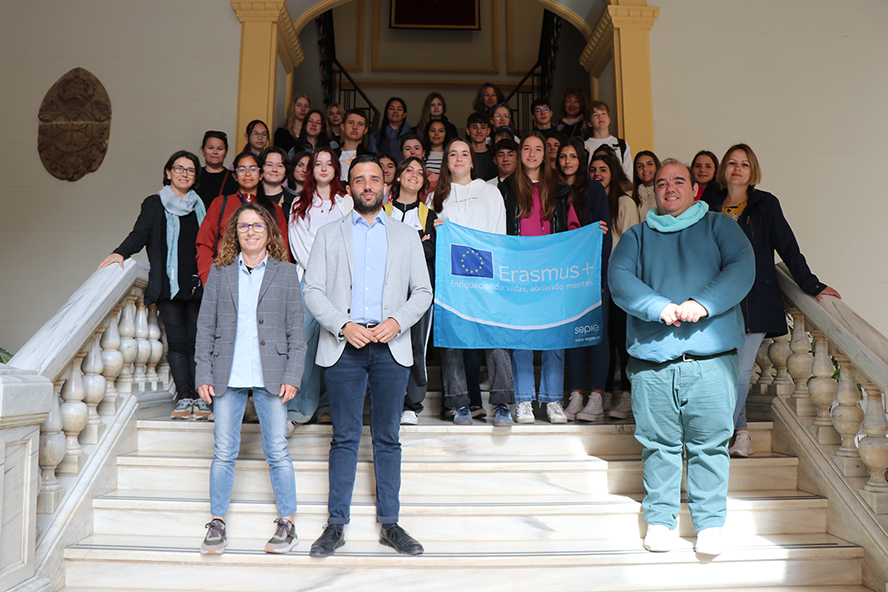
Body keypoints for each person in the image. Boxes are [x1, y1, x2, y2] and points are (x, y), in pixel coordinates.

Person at [609, 158, 755, 556]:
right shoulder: (637, 236)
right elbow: (620, 280)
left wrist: (702, 303)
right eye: (661, 183)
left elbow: (743, 268)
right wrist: (659, 306)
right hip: (653, 361)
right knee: (659, 444)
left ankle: (709, 525)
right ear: (653, 192)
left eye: (678, 181)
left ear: (695, 189)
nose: (669, 188)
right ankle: (660, 520)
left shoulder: (721, 227)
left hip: (710, 359)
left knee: (710, 445)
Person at [304, 154, 433, 558]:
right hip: (345, 346)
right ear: (349, 188)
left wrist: (397, 321)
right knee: (343, 437)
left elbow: (423, 293)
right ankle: (335, 525)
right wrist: (343, 325)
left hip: (390, 347)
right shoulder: (329, 234)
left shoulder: (406, 235)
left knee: (387, 438)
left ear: (385, 188)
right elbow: (313, 291)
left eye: (373, 179)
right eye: (358, 179)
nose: (366, 186)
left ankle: (390, 525)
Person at [703, 143, 841, 458]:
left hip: (755, 298)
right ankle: (741, 434)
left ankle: (716, 435)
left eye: (745, 164)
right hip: (718, 302)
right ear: (724, 170)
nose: (738, 169)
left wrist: (811, 284)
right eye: (733, 163)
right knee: (719, 373)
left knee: (739, 372)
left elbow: (787, 247)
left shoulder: (765, 204)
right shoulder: (709, 205)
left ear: (753, 172)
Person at [195, 203, 305, 555]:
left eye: (258, 225)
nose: (251, 231)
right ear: (235, 233)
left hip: (272, 374)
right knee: (224, 452)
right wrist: (202, 371)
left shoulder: (286, 274)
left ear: (270, 232)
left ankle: (287, 523)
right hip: (228, 372)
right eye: (244, 226)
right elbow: (205, 329)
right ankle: (216, 523)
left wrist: (292, 374)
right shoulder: (221, 271)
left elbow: (296, 333)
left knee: (277, 450)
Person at [99, 150, 208, 421]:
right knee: (178, 343)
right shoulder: (154, 203)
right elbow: (140, 234)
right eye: (179, 168)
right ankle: (185, 397)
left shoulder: (201, 206)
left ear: (195, 177)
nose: (184, 173)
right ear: (168, 172)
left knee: (199, 344)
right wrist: (120, 253)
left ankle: (201, 399)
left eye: (190, 170)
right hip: (168, 285)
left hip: (197, 285)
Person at [432, 138, 514, 426]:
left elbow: (499, 235)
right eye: (452, 154)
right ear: (446, 162)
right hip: (452, 279)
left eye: (464, 153)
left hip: (486, 276)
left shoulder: (490, 192)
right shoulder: (437, 197)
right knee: (453, 340)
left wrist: (496, 276)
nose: (458, 158)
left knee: (495, 337)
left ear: (472, 160)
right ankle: (459, 403)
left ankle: (503, 403)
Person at [501, 133, 580, 424]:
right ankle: (523, 400)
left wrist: (590, 234)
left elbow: (572, 228)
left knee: (553, 337)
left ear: (545, 155)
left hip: (552, 272)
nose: (532, 153)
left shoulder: (559, 190)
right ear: (520, 153)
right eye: (527, 148)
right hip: (519, 272)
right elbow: (497, 228)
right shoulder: (506, 189)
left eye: (538, 149)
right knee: (522, 337)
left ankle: (552, 401)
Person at [287, 147, 353, 429]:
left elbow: (353, 242)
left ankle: (327, 406)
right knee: (304, 343)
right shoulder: (299, 204)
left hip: (342, 282)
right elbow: (299, 246)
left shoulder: (347, 202)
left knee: (336, 342)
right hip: (310, 282)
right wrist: (321, 272)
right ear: (310, 170)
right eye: (318, 164)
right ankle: (299, 409)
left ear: (337, 169)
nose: (324, 168)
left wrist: (335, 271)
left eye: (329, 163)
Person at [556, 139, 613, 422]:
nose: (567, 161)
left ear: (582, 161)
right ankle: (576, 395)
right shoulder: (553, 191)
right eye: (563, 156)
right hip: (564, 276)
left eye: (573, 156)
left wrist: (601, 276)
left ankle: (597, 398)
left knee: (597, 335)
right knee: (573, 336)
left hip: (591, 274)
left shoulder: (594, 189)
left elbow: (605, 234)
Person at [386, 157, 437, 425]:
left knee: (417, 345)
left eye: (419, 172)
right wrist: (417, 241)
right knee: (387, 344)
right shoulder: (382, 210)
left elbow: (430, 251)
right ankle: (389, 400)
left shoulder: (429, 215)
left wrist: (412, 244)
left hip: (419, 292)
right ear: (398, 176)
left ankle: (412, 405)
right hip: (387, 291)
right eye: (408, 170)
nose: (413, 175)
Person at [591, 150, 640, 421]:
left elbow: (631, 245)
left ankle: (627, 395)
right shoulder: (589, 202)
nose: (597, 175)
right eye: (593, 170)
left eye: (603, 170)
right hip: (596, 281)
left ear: (614, 173)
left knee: (622, 338)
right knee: (603, 337)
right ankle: (606, 391)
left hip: (620, 280)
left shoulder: (625, 203)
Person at [196, 151, 289, 286]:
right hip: (225, 279)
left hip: (264, 282)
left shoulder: (274, 210)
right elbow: (204, 244)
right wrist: (208, 278)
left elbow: (283, 250)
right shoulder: (221, 204)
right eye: (241, 169)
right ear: (234, 176)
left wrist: (281, 284)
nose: (247, 173)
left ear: (261, 175)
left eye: (253, 169)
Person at [584, 101, 633, 180]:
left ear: (609, 120)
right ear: (589, 123)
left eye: (603, 113)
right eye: (595, 115)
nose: (600, 117)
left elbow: (628, 174)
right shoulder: (584, 146)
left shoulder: (621, 144)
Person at [196, 131, 238, 209]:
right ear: (203, 151)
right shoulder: (195, 176)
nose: (215, 152)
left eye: (220, 149)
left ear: (225, 153)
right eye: (210, 148)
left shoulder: (234, 177)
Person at [368, 97, 413, 163]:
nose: (395, 111)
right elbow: (373, 161)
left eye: (399, 109)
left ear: (404, 115)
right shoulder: (375, 136)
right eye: (392, 108)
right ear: (386, 113)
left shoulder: (414, 134)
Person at [260, 147, 297, 216]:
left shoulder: (295, 201)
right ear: (261, 169)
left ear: (286, 171)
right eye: (269, 165)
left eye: (280, 166)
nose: (274, 169)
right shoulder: (251, 197)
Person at [335, 109, 370, 181]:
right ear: (343, 127)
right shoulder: (332, 155)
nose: (355, 127)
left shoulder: (370, 157)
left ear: (365, 130)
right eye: (351, 123)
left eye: (360, 124)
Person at [465, 112, 497, 181]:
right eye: (474, 127)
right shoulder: (463, 156)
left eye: (483, 127)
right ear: (468, 131)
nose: (479, 131)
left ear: (488, 131)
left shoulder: (495, 155)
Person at [633, 151, 660, 219]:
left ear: (657, 167)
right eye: (640, 166)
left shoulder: (667, 194)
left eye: (649, 164)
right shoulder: (629, 198)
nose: (645, 169)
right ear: (636, 172)